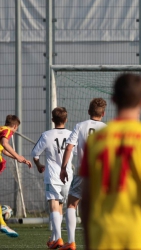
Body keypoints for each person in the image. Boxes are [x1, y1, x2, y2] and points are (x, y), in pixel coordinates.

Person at [80, 73, 141, 250]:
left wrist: (88, 241)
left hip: (103, 235)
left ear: (114, 99)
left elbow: (85, 198)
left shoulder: (95, 141)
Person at [59, 98, 107, 250]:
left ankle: (71, 242)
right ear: (103, 114)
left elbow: (69, 148)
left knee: (72, 204)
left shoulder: (80, 126)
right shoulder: (107, 129)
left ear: (88, 112)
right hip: (100, 173)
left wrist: (63, 168)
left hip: (83, 173)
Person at [31, 107, 74, 249]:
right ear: (66, 120)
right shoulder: (72, 134)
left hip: (53, 176)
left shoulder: (46, 135)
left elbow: (35, 154)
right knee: (61, 205)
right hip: (68, 176)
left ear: (52, 120)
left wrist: (38, 165)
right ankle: (55, 238)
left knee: (54, 206)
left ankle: (59, 239)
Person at [0, 115, 32, 237]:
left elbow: (2, 149)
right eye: (16, 129)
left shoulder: (1, 129)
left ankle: (2, 223)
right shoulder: (8, 130)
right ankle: (2, 224)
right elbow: (4, 143)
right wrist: (18, 156)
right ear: (14, 126)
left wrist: (19, 158)